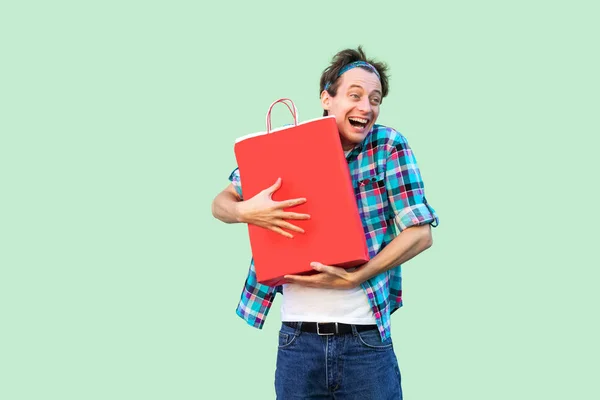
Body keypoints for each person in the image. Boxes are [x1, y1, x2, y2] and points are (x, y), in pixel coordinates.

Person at [211, 46, 439, 399]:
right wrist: (247, 211)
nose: (367, 107)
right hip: (297, 340)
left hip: (365, 341)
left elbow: (421, 233)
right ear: (326, 98)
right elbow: (221, 203)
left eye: (375, 99)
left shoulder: (388, 145)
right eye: (355, 95)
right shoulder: (283, 147)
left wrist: (358, 275)